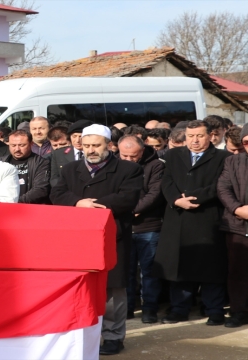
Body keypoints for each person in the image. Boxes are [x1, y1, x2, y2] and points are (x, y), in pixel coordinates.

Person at [50, 124, 143, 356]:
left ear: (108, 145)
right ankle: (80, 333)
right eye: (87, 145)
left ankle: (113, 336)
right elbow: (57, 193)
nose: (91, 150)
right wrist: (78, 203)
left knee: (113, 289)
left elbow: (128, 197)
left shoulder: (127, 169)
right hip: (77, 238)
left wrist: (94, 205)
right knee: (79, 286)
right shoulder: (70, 168)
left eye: (96, 145)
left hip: (113, 236)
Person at [152, 120, 231, 326]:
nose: (194, 140)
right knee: (180, 267)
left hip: (207, 218)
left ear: (210, 136)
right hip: (178, 218)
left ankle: (214, 310)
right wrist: (176, 199)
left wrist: (194, 197)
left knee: (210, 269)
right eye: (190, 136)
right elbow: (166, 181)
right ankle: (179, 309)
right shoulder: (173, 155)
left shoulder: (224, 158)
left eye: (199, 136)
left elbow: (220, 185)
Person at [217, 121, 248, 329]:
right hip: (236, 225)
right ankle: (239, 311)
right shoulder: (232, 162)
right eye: (246, 142)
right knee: (237, 271)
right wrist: (237, 209)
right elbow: (223, 187)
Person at [118, 135, 165, 324]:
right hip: (124, 227)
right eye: (124, 156)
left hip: (149, 226)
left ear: (142, 151)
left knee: (149, 271)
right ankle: (127, 308)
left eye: (133, 156)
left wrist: (133, 209)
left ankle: (149, 309)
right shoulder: (115, 165)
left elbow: (155, 193)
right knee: (126, 271)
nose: (129, 160)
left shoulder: (156, 166)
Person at [0, 130, 50, 204]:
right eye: (13, 145)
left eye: (22, 145)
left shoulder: (40, 162)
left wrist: (16, 202)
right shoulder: (0, 162)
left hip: (29, 207)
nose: (17, 149)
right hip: (3, 206)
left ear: (31, 144)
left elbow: (40, 189)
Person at [48, 119, 93, 187]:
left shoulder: (95, 153)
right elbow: (54, 179)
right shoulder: (58, 154)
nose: (77, 140)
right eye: (74, 136)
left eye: (81, 136)